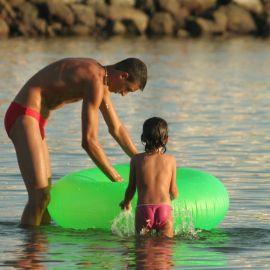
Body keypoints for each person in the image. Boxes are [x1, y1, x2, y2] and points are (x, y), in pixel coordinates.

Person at [4, 57, 147, 227]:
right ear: (123, 76)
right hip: (24, 115)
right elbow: (89, 142)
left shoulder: (101, 81)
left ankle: (39, 249)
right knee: (39, 196)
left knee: (45, 199)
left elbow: (116, 128)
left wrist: (143, 160)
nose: (123, 94)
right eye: (128, 90)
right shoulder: (94, 78)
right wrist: (117, 180)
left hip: (36, 120)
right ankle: (28, 249)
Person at [119, 117, 178, 238]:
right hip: (164, 210)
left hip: (143, 210)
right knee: (165, 250)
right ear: (166, 139)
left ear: (143, 138)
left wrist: (126, 202)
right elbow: (173, 191)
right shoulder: (171, 160)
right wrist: (172, 197)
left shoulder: (136, 159)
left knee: (142, 251)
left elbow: (131, 188)